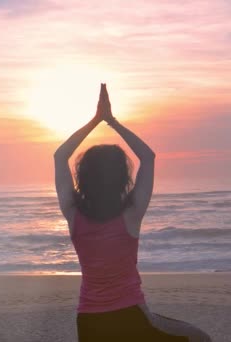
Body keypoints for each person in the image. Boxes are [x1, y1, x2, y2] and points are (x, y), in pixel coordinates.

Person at [54, 83, 212, 342]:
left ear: (83, 177)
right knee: (200, 339)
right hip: (131, 316)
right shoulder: (132, 214)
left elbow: (60, 156)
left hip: (89, 322)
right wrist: (111, 121)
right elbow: (147, 157)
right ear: (121, 177)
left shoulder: (73, 214)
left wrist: (95, 120)